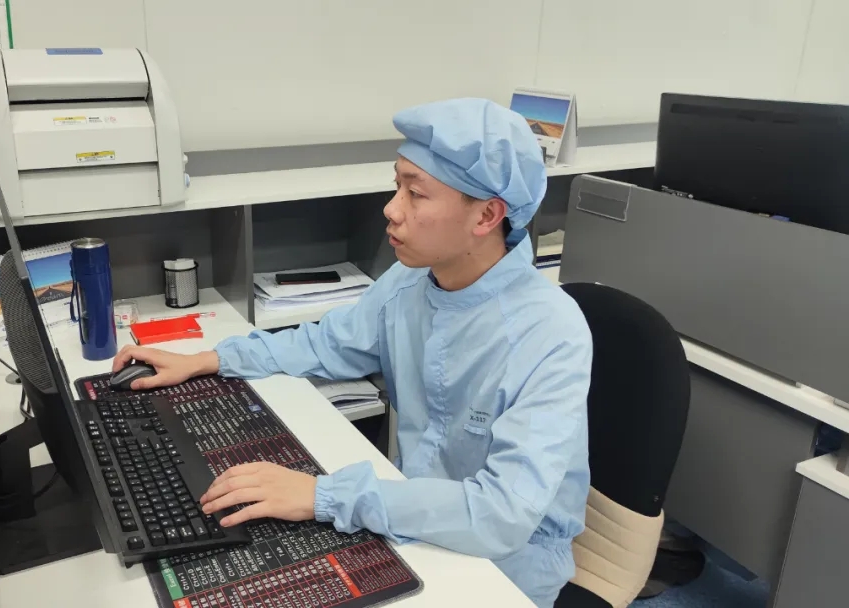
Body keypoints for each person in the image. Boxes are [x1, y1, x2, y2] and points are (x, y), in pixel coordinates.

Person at [112, 98, 593, 607]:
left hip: (507, 569)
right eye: (396, 185)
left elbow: (501, 516)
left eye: (416, 193)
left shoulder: (550, 333)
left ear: (487, 215)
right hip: (406, 517)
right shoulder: (409, 281)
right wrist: (211, 359)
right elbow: (326, 343)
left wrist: (322, 495)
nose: (392, 208)